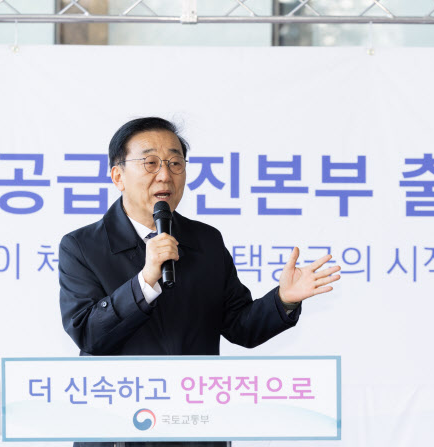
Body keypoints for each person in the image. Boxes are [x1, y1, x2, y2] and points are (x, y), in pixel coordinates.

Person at [59, 117, 341, 447]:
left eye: (175, 163)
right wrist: (145, 281)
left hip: (194, 429)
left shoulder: (205, 241)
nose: (165, 175)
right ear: (117, 176)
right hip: (120, 431)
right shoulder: (82, 246)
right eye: (150, 163)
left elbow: (241, 327)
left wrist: (283, 300)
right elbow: (89, 334)